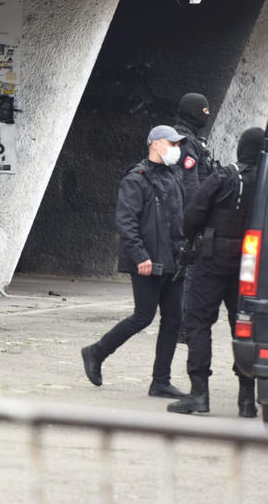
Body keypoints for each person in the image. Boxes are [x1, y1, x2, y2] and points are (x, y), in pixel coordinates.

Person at [81, 125, 188, 397]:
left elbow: (178, 219)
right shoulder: (136, 178)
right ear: (155, 145)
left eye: (178, 144)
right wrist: (141, 256)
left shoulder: (174, 176)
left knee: (173, 320)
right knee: (143, 316)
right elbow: (126, 222)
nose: (176, 149)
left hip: (174, 260)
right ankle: (96, 352)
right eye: (171, 143)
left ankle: (160, 381)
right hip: (147, 262)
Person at [167, 127, 264, 418]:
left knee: (198, 323)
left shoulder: (224, 177)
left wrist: (190, 237)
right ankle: (247, 400)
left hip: (211, 260)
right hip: (248, 264)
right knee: (244, 327)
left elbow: (194, 213)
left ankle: (199, 394)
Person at [174, 92, 215, 344]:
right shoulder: (185, 142)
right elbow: (189, 186)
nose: (206, 115)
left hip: (187, 214)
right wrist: (197, 218)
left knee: (187, 269)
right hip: (187, 215)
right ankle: (182, 327)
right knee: (189, 270)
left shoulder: (191, 140)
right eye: (203, 111)